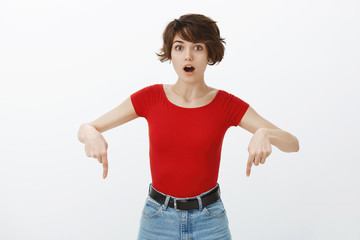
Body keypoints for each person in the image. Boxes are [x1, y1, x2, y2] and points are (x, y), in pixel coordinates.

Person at [77, 13, 299, 240]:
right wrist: (89, 133)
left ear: (210, 53)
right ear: (170, 54)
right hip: (157, 221)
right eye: (179, 47)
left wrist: (264, 133)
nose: (188, 57)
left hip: (210, 221)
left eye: (198, 48)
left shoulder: (226, 104)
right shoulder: (150, 98)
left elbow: (293, 144)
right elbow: (86, 128)